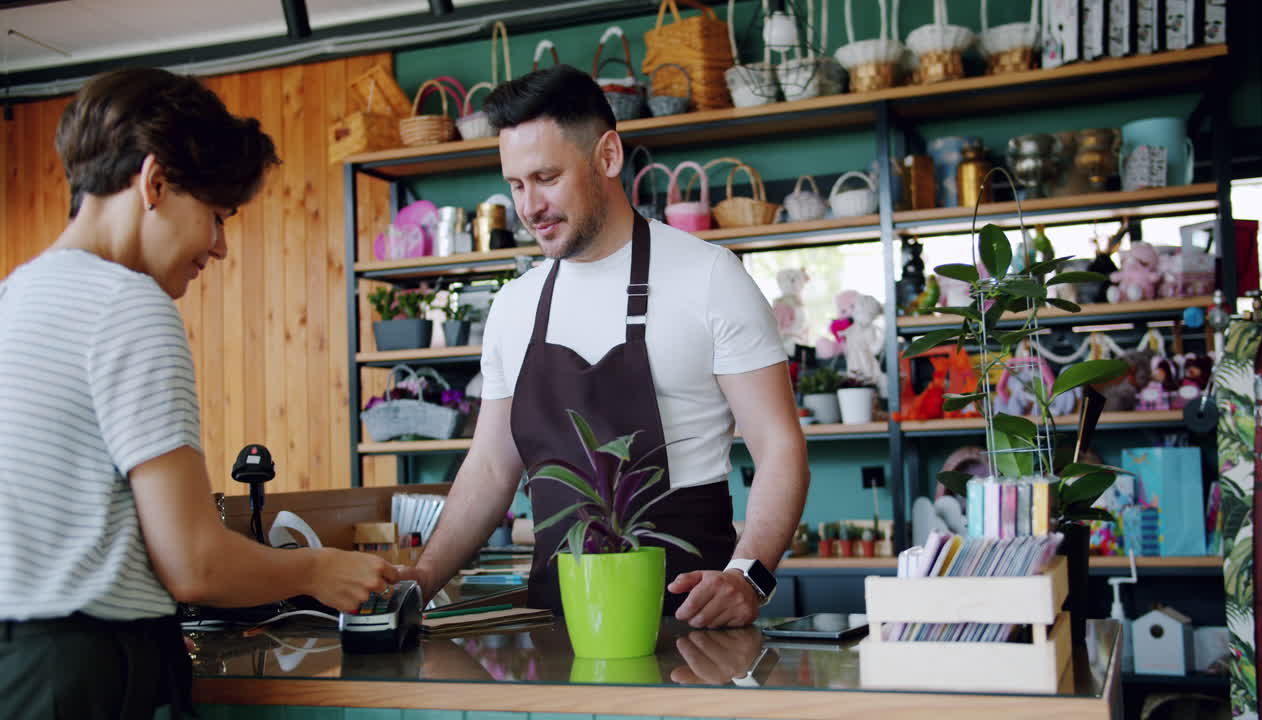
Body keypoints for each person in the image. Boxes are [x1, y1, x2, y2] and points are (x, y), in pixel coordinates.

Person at [0, 68, 398, 719]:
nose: (219, 248)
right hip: (84, 671)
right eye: (215, 216)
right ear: (154, 183)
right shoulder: (128, 303)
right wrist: (317, 570)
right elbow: (194, 563)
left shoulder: (14, 295)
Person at [399, 65, 808, 629]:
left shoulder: (710, 277)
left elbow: (780, 446)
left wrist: (749, 576)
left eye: (546, 177)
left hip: (691, 624)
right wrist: (421, 580)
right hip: (552, 625)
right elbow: (491, 468)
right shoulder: (515, 306)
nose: (529, 207)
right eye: (516, 185)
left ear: (608, 156)